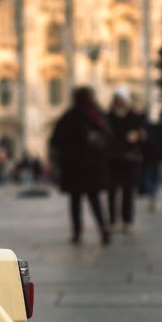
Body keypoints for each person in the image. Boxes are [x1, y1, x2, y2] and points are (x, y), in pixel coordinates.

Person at [50, 86, 113, 245]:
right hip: (91, 167)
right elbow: (109, 138)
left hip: (74, 167)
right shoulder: (97, 115)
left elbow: (56, 141)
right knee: (94, 199)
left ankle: (78, 232)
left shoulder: (69, 117)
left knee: (76, 201)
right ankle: (102, 228)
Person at [106, 89, 145, 232]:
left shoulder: (134, 117)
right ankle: (112, 220)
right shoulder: (108, 117)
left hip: (129, 158)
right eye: (118, 100)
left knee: (128, 191)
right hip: (113, 158)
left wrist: (137, 136)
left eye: (122, 100)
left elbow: (143, 133)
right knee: (112, 191)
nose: (120, 103)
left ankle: (127, 220)